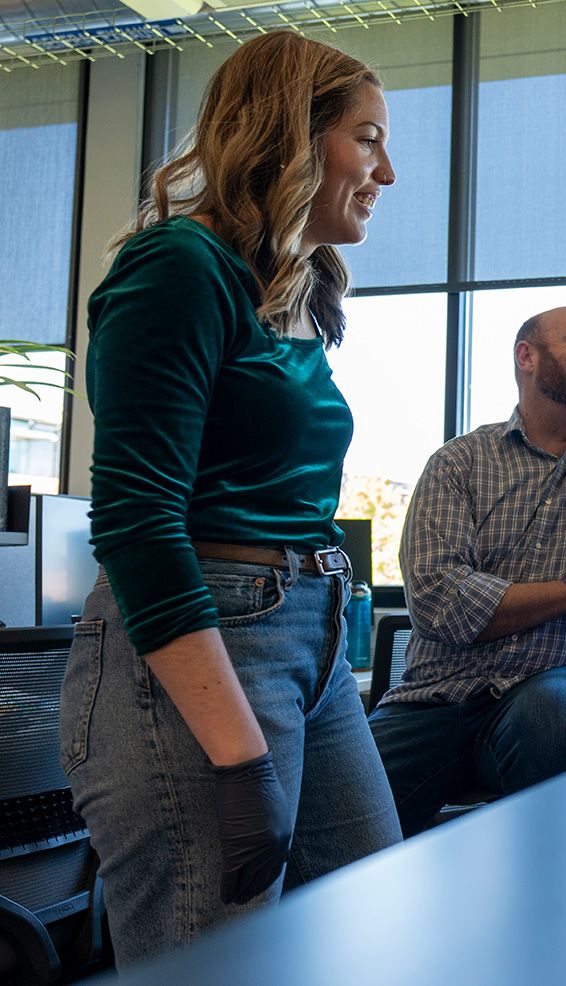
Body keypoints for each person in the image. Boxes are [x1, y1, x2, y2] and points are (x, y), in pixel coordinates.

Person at [58, 32, 401, 964]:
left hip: (310, 635)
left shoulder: (290, 295)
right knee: (224, 960)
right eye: (368, 139)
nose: (389, 171)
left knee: (371, 931)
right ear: (296, 134)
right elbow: (136, 523)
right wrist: (240, 759)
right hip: (208, 641)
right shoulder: (179, 267)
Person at [369, 306, 566, 836]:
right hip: (437, 699)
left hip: (560, 685)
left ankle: (556, 912)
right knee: (333, 809)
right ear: (527, 355)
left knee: (552, 719)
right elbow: (437, 599)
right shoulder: (458, 462)